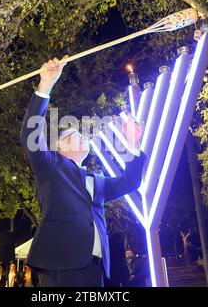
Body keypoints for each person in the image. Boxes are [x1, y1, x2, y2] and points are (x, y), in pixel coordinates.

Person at [20, 57, 145, 287]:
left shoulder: (97, 180)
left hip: (94, 268)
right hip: (61, 264)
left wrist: (133, 146)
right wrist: (45, 84)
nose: (82, 135)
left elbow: (130, 182)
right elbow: (30, 134)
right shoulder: (50, 166)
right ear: (59, 147)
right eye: (73, 134)